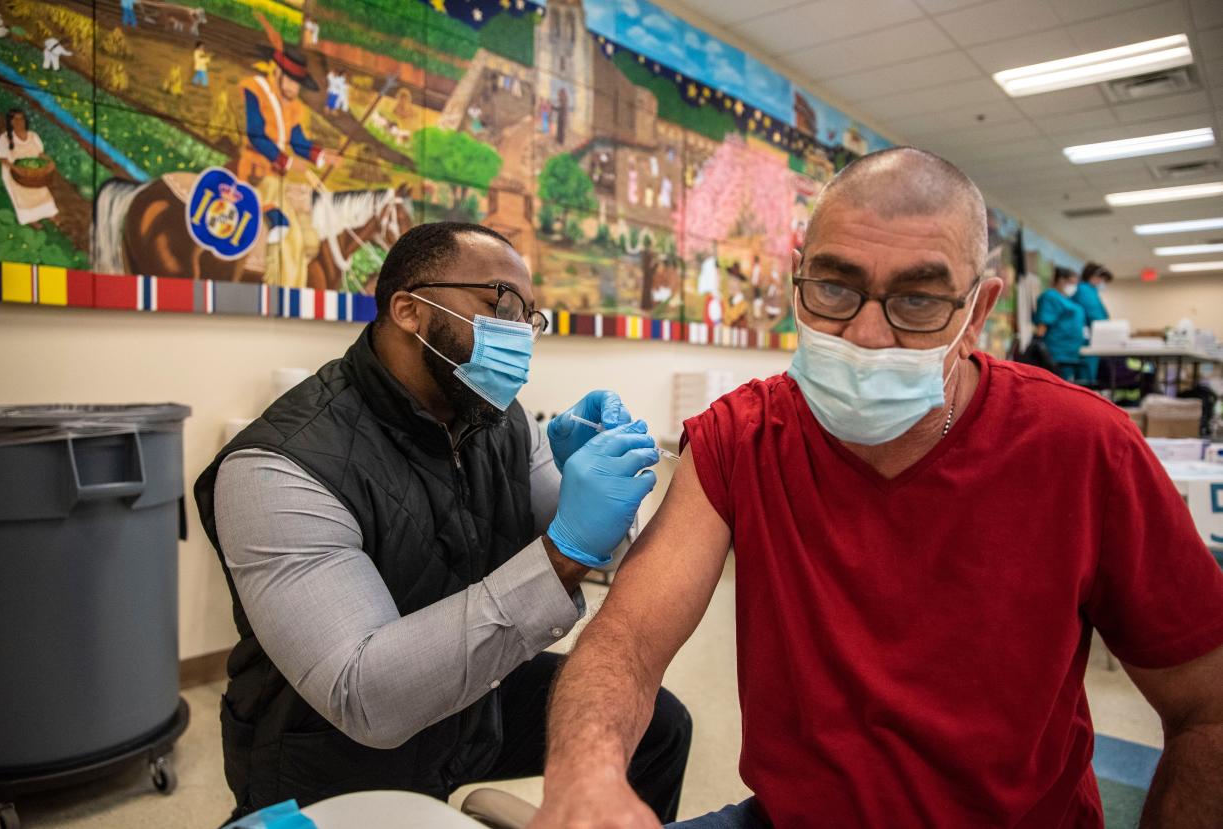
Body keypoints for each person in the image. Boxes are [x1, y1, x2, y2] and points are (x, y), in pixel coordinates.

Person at [529, 148, 1223, 829]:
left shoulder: (1082, 446)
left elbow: (1208, 707)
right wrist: (585, 776)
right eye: (834, 287)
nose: (864, 333)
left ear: (978, 308)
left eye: (917, 298)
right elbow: (626, 641)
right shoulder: (743, 437)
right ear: (797, 279)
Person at [195, 223, 691, 823]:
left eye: (527, 315)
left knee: (657, 726)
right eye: (497, 303)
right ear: (408, 309)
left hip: (471, 707)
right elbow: (365, 696)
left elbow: (597, 549)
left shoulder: (499, 422)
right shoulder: (279, 466)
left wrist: (597, 485)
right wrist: (564, 551)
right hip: (331, 752)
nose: (518, 332)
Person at [238, 15, 336, 285]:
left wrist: (321, 156)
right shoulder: (255, 90)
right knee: (285, 228)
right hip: (256, 172)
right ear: (278, 72)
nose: (294, 88)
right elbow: (256, 134)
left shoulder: (293, 106)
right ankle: (274, 280)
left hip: (277, 177)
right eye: (291, 81)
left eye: (298, 83)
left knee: (306, 236)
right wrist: (289, 163)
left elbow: (298, 140)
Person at [0, 109, 57, 228]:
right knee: (23, 196)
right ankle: (31, 219)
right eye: (16, 119)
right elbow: (3, 159)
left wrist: (50, 161)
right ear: (11, 122)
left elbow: (40, 154)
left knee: (41, 191)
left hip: (33, 172)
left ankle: (49, 215)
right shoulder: (4, 138)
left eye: (22, 118)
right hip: (14, 173)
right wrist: (16, 169)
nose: (19, 121)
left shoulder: (33, 136)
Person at [1034, 266, 1087, 382]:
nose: (1074, 286)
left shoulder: (1068, 300)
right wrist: (1038, 344)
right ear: (1061, 280)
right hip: (1056, 351)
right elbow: (1043, 324)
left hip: (1070, 352)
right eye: (1072, 282)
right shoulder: (1050, 296)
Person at [1075, 261, 1112, 384]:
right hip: (1087, 341)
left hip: (1089, 340)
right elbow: (1095, 316)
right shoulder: (1085, 291)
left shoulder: (1089, 291)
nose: (1102, 283)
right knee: (1087, 381)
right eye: (1102, 279)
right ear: (1094, 277)